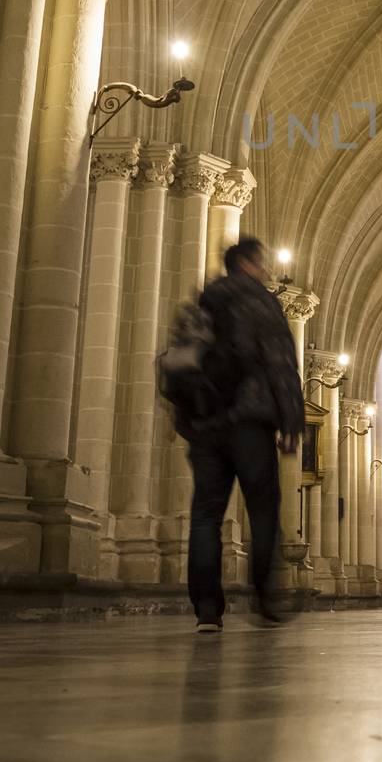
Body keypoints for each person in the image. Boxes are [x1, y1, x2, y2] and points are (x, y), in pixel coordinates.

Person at [168, 237, 304, 634]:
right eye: (260, 262)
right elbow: (281, 364)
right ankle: (264, 593)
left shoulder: (204, 300)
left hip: (206, 426)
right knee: (263, 510)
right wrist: (292, 423)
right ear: (246, 263)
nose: (265, 268)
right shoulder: (262, 303)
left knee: (206, 514)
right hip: (250, 421)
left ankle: (207, 610)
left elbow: (182, 360)